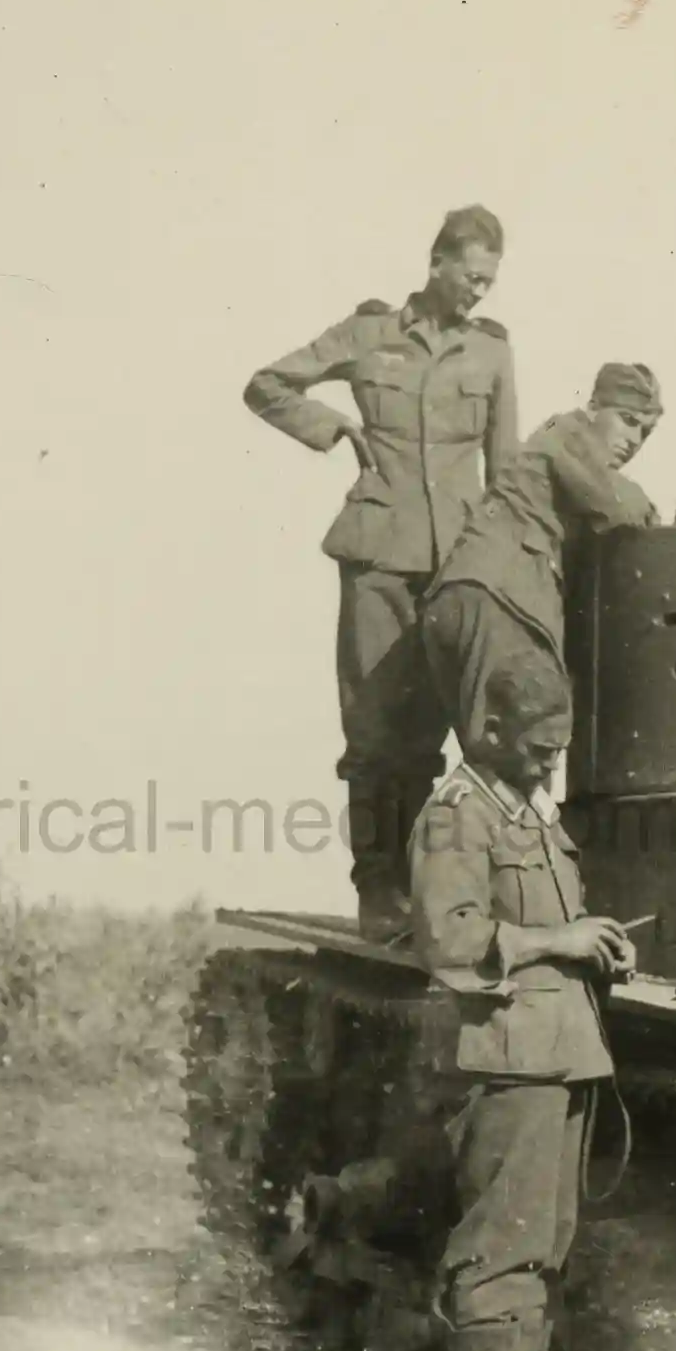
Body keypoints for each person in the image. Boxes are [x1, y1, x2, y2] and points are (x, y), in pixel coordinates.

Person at [246, 206, 521, 940]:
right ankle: (378, 892)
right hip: (376, 562)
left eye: (489, 282)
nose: (478, 294)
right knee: (374, 732)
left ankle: (442, 892)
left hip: (456, 566)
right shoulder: (369, 334)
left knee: (453, 733)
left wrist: (506, 563)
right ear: (436, 263)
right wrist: (334, 428)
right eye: (470, 277)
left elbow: (506, 470)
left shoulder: (492, 353)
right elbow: (268, 384)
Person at [406, 660, 635, 1351]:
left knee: (546, 1239)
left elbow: (546, 930)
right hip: (505, 1056)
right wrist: (558, 940)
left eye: (559, 751)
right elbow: (451, 938)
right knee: (505, 1244)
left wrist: (596, 947)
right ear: (490, 729)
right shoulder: (455, 819)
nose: (549, 767)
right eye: (538, 749)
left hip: (560, 1050)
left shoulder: (528, 816)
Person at [421, 361, 664, 740]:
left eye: (645, 433)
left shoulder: (558, 447)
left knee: (490, 753)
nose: (634, 440)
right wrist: (656, 518)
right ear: (594, 408)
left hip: (464, 595)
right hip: (501, 600)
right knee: (519, 750)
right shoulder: (567, 432)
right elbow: (619, 506)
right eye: (628, 420)